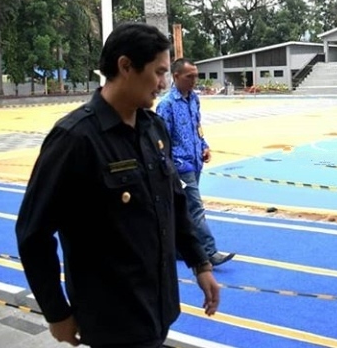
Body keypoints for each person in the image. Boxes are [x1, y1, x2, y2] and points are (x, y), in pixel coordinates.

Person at [15, 22, 220, 348]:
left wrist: (201, 263)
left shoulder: (153, 130)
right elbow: (32, 232)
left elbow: (174, 201)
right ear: (125, 66)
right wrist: (56, 312)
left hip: (158, 308)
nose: (163, 83)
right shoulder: (75, 138)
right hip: (112, 319)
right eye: (158, 72)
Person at [156, 58, 236, 267]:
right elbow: (161, 139)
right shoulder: (167, 105)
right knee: (196, 208)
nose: (194, 80)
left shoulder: (193, 99)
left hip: (195, 161)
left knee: (180, 208)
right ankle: (210, 251)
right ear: (175, 77)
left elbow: (196, 126)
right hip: (180, 166)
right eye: (189, 76)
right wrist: (169, 166)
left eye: (196, 76)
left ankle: (175, 249)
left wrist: (204, 145)